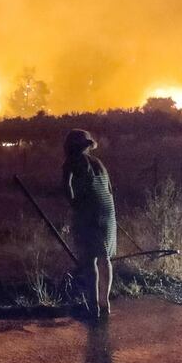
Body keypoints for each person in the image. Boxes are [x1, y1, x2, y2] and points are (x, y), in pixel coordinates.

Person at [63, 129, 117, 318]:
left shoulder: (72, 161)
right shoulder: (98, 163)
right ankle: (105, 302)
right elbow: (109, 189)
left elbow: (66, 186)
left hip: (89, 211)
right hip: (107, 211)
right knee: (104, 257)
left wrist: (74, 204)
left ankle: (93, 305)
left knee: (89, 260)